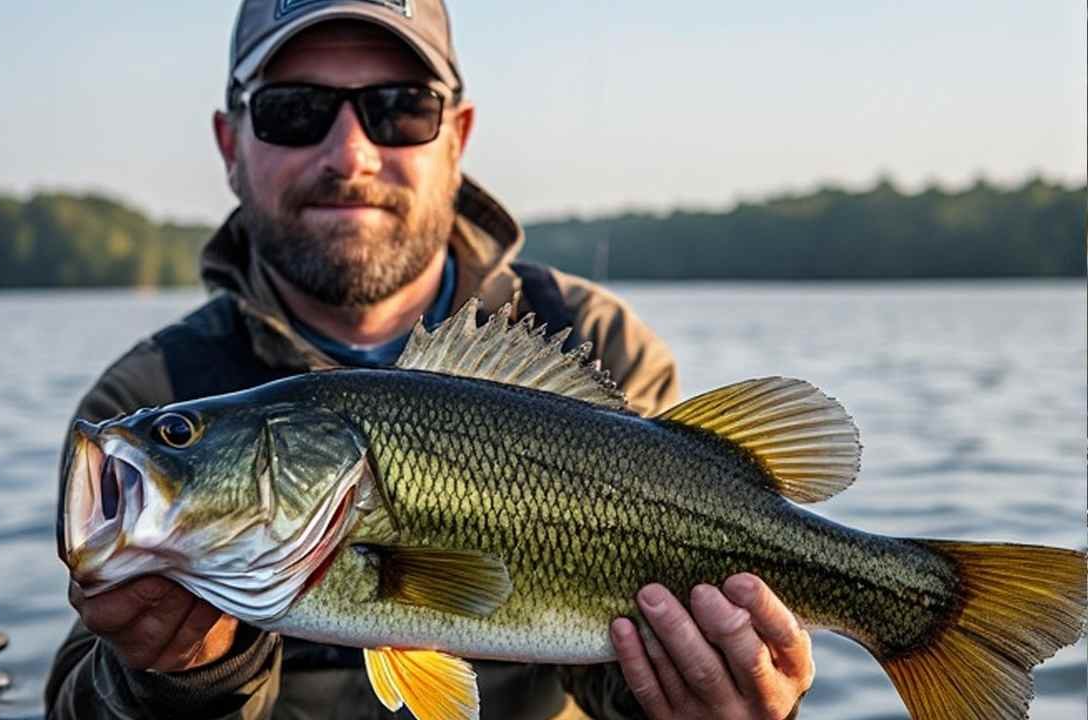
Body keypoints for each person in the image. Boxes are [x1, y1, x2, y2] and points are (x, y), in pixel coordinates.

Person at [44, 1, 814, 718]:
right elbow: (75, 695)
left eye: (400, 109)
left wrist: (703, 693)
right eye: (295, 112)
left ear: (459, 135)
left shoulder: (593, 339)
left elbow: (616, 655)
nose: (350, 154)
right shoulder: (145, 396)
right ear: (230, 145)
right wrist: (180, 677)